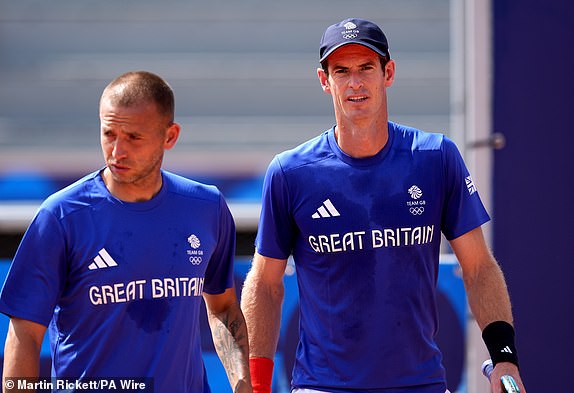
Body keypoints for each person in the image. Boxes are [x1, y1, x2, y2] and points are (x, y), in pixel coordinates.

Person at [241, 18, 526, 393]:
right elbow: (265, 284)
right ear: (325, 81)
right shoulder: (290, 172)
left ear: (388, 73)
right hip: (323, 387)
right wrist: (257, 385)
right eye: (341, 71)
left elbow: (478, 268)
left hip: (420, 384)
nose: (355, 83)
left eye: (366, 69)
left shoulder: (436, 157)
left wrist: (504, 357)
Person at [0, 71, 252, 393]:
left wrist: (242, 383)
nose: (117, 151)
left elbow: (223, 307)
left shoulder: (206, 206)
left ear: (170, 136)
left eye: (133, 137)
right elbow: (24, 334)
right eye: (109, 134)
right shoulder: (61, 216)